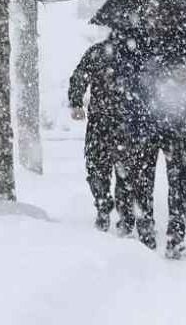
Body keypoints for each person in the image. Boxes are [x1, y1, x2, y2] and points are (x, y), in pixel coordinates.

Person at [119, 25, 186, 259]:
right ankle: (145, 236)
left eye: (165, 13)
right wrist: (148, 76)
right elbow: (122, 75)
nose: (158, 16)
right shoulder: (134, 38)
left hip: (178, 121)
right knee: (142, 180)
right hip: (143, 122)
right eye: (152, 11)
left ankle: (176, 237)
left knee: (178, 179)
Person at [68, 36, 134, 236]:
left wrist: (77, 101)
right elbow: (80, 76)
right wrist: (76, 102)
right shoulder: (130, 52)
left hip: (116, 121)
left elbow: (79, 76)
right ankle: (112, 210)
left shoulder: (102, 52)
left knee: (105, 169)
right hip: (115, 121)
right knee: (111, 170)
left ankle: (114, 210)